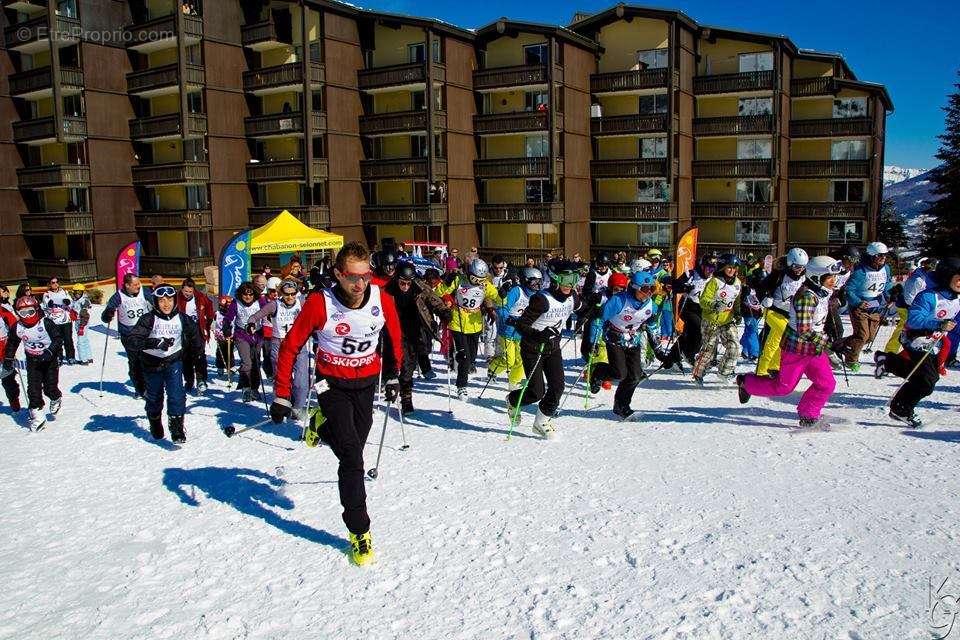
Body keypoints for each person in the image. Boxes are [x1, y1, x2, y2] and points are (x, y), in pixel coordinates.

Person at [269, 241, 402, 566]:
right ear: (338, 275)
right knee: (352, 456)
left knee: (356, 438)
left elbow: (396, 337)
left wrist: (396, 374)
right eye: (352, 277)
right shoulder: (319, 303)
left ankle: (319, 426)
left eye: (365, 276)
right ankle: (359, 531)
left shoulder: (381, 299)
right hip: (330, 383)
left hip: (366, 381)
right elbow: (290, 347)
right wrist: (282, 393)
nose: (360, 284)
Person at [737, 256, 845, 428]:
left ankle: (808, 414)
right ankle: (746, 383)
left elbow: (822, 315)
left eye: (835, 276)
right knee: (784, 387)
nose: (834, 280)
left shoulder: (822, 292)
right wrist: (830, 342)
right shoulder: (806, 297)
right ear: (817, 277)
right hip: (797, 349)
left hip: (814, 348)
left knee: (826, 383)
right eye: (830, 277)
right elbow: (804, 330)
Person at [875, 258, 960, 428]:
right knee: (927, 382)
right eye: (958, 279)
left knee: (925, 378)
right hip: (916, 338)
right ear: (947, 277)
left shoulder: (956, 299)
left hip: (933, 342)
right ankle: (901, 409)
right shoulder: (929, 296)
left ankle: (889, 362)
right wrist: (938, 324)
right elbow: (914, 319)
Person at [506, 260, 584, 438]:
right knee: (536, 392)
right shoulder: (541, 299)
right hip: (532, 348)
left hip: (552, 347)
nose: (570, 285)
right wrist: (539, 334)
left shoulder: (572, 297)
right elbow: (522, 325)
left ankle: (541, 421)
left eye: (574, 279)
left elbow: (582, 308)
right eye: (566, 280)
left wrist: (595, 308)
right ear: (556, 279)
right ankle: (511, 401)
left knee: (558, 386)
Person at [127, 285, 207, 443]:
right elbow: (132, 340)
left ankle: (176, 427)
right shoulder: (148, 319)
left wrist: (197, 351)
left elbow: (195, 335)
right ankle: (155, 421)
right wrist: (154, 343)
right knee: (155, 397)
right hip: (152, 363)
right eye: (162, 300)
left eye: (169, 300)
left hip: (173, 361)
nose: (166, 304)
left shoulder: (182, 318)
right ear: (156, 302)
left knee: (177, 394)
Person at [588, 271, 662, 420]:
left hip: (633, 339)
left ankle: (621, 405)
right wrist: (593, 340)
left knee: (634, 376)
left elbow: (652, 325)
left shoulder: (650, 304)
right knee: (619, 373)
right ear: (634, 288)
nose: (648, 293)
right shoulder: (618, 301)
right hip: (614, 337)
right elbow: (599, 319)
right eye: (645, 289)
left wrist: (658, 349)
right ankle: (598, 371)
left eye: (651, 289)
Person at [385, 262, 450, 415]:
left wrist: (443, 311)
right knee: (405, 365)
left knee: (414, 360)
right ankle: (405, 398)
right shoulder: (388, 290)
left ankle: (409, 392)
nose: (406, 286)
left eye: (409, 283)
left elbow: (433, 299)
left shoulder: (419, 286)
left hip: (416, 328)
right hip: (396, 330)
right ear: (396, 279)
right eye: (402, 283)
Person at [246, 280, 311, 422]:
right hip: (279, 345)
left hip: (299, 345)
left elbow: (316, 315)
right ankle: (282, 407)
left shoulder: (302, 303)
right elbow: (255, 316)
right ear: (282, 293)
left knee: (301, 382)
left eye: (293, 294)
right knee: (281, 380)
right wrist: (251, 323)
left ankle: (297, 408)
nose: (290, 297)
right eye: (287, 294)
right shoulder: (274, 305)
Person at [436, 259, 502, 396]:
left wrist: (504, 294)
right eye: (474, 279)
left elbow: (499, 299)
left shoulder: (485, 285)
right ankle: (461, 386)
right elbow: (439, 292)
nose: (477, 282)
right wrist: (446, 282)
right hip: (457, 322)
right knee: (464, 358)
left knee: (472, 359)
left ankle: (463, 359)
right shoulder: (459, 280)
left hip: (475, 324)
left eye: (480, 279)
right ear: (469, 273)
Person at [1, 296, 63, 430]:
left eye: (30, 312)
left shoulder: (45, 322)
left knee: (49, 387)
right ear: (18, 313)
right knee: (33, 389)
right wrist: (8, 359)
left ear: (36, 309)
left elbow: (58, 339)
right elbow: (12, 343)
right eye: (23, 313)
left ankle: (56, 397)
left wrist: (50, 352)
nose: (27, 316)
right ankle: (37, 415)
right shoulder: (17, 327)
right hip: (32, 360)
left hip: (49, 360)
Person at [755, 248, 809, 377]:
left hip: (790, 314)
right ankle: (765, 368)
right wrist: (764, 298)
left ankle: (772, 367)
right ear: (790, 263)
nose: (799, 269)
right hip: (773, 311)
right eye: (797, 266)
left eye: (802, 267)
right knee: (779, 335)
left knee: (780, 340)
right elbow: (761, 287)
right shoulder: (779, 274)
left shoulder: (805, 277)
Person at [841, 242, 893, 371]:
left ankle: (840, 344)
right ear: (871, 256)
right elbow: (849, 289)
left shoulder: (885, 268)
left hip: (876, 307)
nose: (883, 259)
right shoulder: (861, 271)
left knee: (869, 337)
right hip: (860, 307)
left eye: (885, 256)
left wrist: (890, 296)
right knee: (862, 336)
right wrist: (858, 302)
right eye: (879, 256)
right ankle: (851, 360)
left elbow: (886, 284)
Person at [691, 254, 743, 385]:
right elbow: (703, 300)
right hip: (711, 320)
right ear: (723, 267)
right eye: (729, 268)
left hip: (727, 320)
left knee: (735, 346)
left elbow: (736, 300)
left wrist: (737, 313)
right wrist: (714, 304)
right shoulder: (715, 282)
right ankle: (698, 373)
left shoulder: (738, 283)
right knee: (709, 350)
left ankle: (725, 372)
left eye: (734, 268)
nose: (732, 270)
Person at [489, 267, 542, 392]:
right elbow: (503, 307)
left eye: (539, 282)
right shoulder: (517, 291)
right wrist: (509, 319)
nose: (537, 285)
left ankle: (514, 382)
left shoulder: (537, 296)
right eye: (534, 282)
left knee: (521, 359)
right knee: (509, 360)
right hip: (508, 330)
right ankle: (492, 368)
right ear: (526, 281)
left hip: (523, 332)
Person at [101, 274, 154, 398]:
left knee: (148, 359)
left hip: (145, 331)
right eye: (135, 284)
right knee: (135, 362)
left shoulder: (144, 292)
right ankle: (140, 388)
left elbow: (156, 302)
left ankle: (150, 385)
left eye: (138, 283)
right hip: (129, 334)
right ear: (127, 285)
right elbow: (106, 314)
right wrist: (107, 314)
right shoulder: (118, 296)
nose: (138, 286)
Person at [883, 257, 938, 355]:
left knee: (918, 331)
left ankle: (913, 353)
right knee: (903, 330)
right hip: (907, 307)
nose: (933, 271)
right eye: (931, 268)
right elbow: (909, 298)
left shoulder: (928, 277)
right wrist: (920, 307)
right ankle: (889, 353)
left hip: (917, 308)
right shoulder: (917, 280)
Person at [222, 282, 264, 402]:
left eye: (250, 295)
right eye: (245, 295)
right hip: (242, 335)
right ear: (240, 294)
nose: (248, 297)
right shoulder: (236, 303)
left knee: (256, 362)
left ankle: (255, 388)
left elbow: (268, 311)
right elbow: (229, 317)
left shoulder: (259, 301)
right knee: (247, 363)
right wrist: (226, 326)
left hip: (257, 334)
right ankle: (246, 388)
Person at [674, 253, 718, 365]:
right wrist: (684, 287)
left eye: (713, 268)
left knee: (691, 334)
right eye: (708, 268)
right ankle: (689, 353)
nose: (710, 271)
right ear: (702, 266)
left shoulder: (714, 279)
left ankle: (674, 356)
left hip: (702, 309)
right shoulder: (691, 274)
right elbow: (675, 286)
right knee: (700, 330)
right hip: (688, 307)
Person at [176, 277, 214, 394]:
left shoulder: (200, 297)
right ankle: (189, 381)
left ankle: (201, 380)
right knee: (186, 357)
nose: (188, 294)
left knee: (199, 355)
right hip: (183, 331)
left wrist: (209, 320)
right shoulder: (176, 298)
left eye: (190, 292)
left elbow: (209, 308)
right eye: (186, 291)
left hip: (198, 329)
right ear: (182, 289)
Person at [42, 277, 76, 365]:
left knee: (68, 339)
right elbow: (45, 306)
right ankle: (58, 357)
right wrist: (49, 304)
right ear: (49, 284)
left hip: (65, 320)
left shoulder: (64, 292)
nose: (55, 284)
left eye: (57, 282)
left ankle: (71, 356)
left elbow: (71, 303)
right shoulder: (47, 294)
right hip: (54, 321)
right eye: (53, 282)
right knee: (57, 340)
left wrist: (68, 302)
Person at [0, 288, 21, 411]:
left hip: (4, 350)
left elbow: (15, 328)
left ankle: (14, 401)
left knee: (8, 380)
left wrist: (11, 343)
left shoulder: (4, 311)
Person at [69, 284, 93, 365]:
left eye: (79, 292)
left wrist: (82, 326)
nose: (77, 294)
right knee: (85, 339)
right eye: (75, 292)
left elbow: (85, 314)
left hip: (82, 322)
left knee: (80, 341)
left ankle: (83, 360)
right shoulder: (76, 300)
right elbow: (72, 307)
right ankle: (88, 357)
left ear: (82, 292)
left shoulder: (83, 301)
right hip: (78, 321)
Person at [739, 285, 762, 362]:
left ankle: (745, 350)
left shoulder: (756, 288)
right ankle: (754, 353)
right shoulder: (746, 289)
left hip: (754, 314)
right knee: (752, 333)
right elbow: (742, 301)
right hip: (749, 314)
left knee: (749, 331)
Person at [213, 295, 233, 378]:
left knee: (230, 351)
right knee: (220, 351)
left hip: (230, 335)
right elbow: (213, 321)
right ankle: (220, 366)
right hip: (220, 335)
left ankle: (230, 366)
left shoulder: (233, 314)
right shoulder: (217, 314)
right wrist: (213, 327)